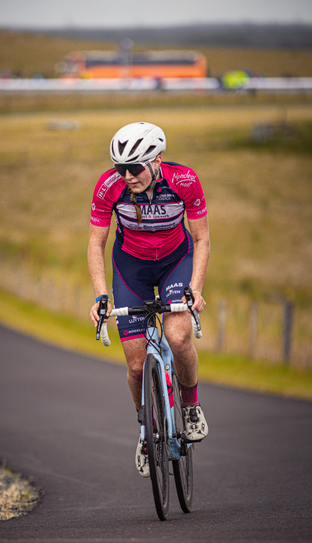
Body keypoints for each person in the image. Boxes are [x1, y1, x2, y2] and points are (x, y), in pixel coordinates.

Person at [88, 122, 210, 478]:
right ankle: (147, 432)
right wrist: (101, 296)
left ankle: (189, 406)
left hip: (176, 262)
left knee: (177, 336)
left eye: (134, 167)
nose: (126, 176)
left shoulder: (185, 181)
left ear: (157, 160)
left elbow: (201, 239)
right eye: (119, 168)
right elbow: (96, 243)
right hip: (132, 269)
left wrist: (196, 288)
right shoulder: (108, 188)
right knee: (137, 364)